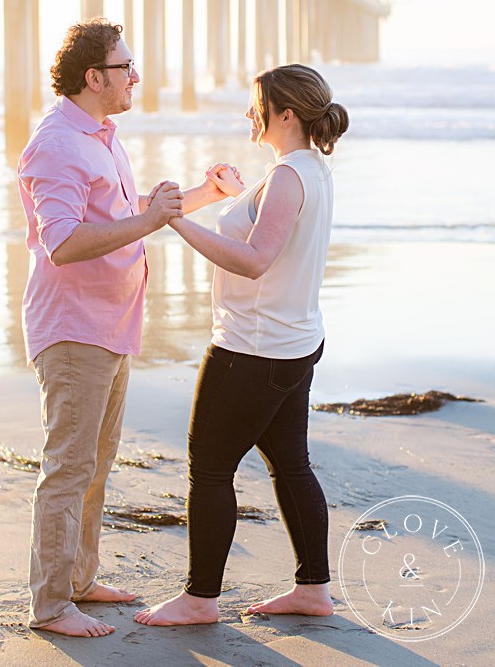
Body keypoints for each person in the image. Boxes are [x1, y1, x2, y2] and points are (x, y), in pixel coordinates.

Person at [17, 18, 240, 637]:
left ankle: (80, 580)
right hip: (73, 328)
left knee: (97, 461)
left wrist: (198, 195)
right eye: (126, 67)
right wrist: (149, 223)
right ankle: (51, 605)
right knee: (68, 465)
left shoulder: (102, 136)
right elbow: (62, 243)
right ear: (95, 77)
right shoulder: (57, 145)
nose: (135, 77)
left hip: (113, 323)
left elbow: (127, 215)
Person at [135, 63, 349, 627]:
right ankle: (313, 590)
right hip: (294, 343)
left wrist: (176, 221)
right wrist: (232, 196)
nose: (248, 113)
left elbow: (255, 260)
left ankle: (200, 599)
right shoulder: (307, 169)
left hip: (252, 351)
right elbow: (269, 225)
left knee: (209, 469)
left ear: (286, 114)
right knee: (291, 465)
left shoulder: (285, 177)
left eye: (257, 104)